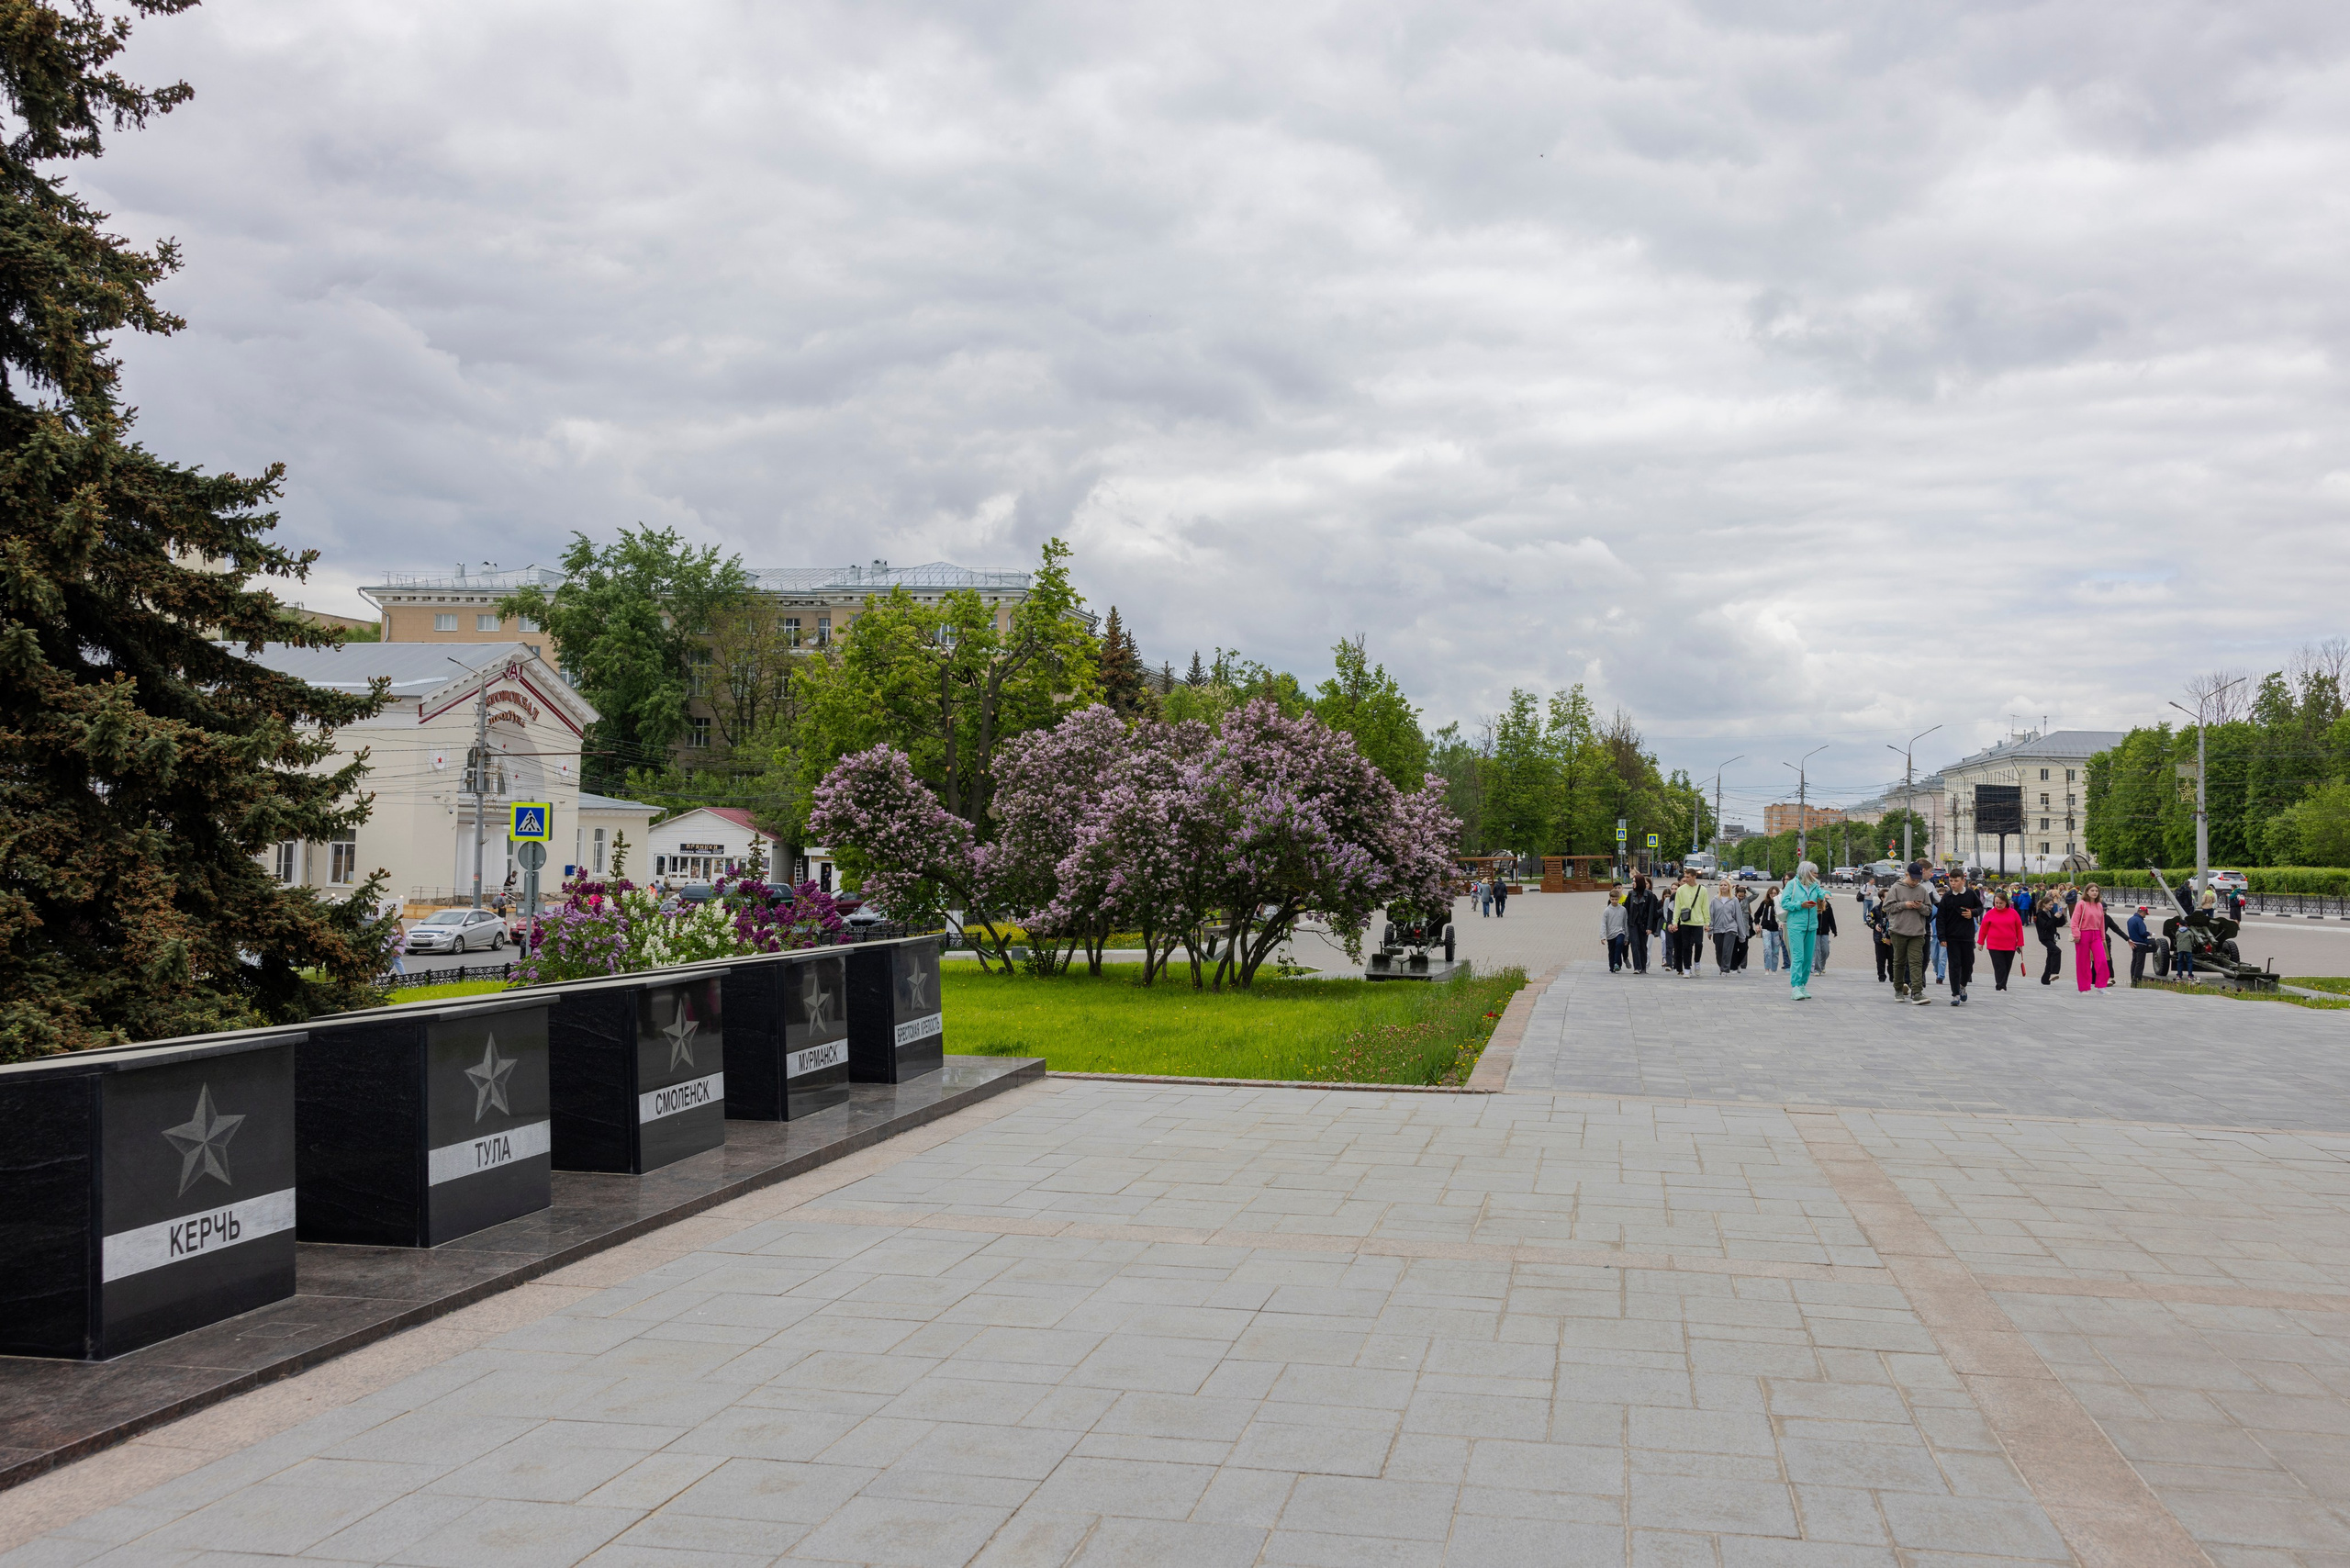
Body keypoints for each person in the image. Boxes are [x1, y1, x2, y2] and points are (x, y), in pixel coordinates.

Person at [1881, 862, 1935, 1004]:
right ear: (1906, 875)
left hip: (1917, 932)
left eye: (1918, 880)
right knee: (1899, 961)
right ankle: (1898, 989)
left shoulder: (1922, 890)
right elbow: (1887, 907)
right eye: (1913, 879)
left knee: (1916, 961)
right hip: (1898, 930)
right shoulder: (1896, 888)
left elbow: (1929, 910)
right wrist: (1904, 905)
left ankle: (1917, 992)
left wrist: (1920, 907)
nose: (1915, 882)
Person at [1778, 861, 1828, 999]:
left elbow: (1821, 893)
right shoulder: (1792, 884)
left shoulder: (1814, 885)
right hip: (1796, 926)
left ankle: (1802, 985)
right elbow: (1785, 903)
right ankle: (1795, 987)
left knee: (1807, 958)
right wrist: (1801, 905)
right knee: (1798, 957)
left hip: (1811, 926)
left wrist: (1825, 895)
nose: (1816, 875)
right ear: (1806, 872)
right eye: (1814, 872)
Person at [1937, 870, 1983, 1004]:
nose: (1953, 884)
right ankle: (1955, 994)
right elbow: (1941, 919)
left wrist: (1973, 913)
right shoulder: (1947, 897)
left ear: (1963, 881)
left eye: (1956, 881)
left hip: (1967, 936)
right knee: (1954, 965)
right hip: (1952, 937)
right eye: (1951, 881)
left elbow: (1980, 907)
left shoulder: (1970, 893)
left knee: (1968, 964)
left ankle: (1963, 986)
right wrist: (1942, 937)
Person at [2071, 883, 2114, 992]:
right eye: (2092, 890)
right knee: (2083, 962)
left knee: (2102, 960)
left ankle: (2101, 986)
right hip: (2083, 935)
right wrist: (2076, 934)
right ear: (2087, 892)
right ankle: (2084, 987)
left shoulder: (2099, 905)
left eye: (2096, 891)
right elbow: (2074, 921)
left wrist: (2103, 938)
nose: (2094, 892)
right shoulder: (2081, 904)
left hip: (2096, 935)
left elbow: (2101, 923)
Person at [1980, 892, 2025, 991]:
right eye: (1996, 903)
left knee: (2007, 965)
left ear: (2006, 903)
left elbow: (2019, 929)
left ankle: (2003, 983)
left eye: (2001, 903)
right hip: (1994, 945)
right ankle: (2000, 984)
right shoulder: (1990, 914)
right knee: (1999, 965)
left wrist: (2020, 943)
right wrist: (1980, 942)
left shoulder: (2013, 913)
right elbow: (1983, 929)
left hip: (2010, 945)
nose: (1998, 905)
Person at [1669, 870, 1710, 975]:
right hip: (1685, 922)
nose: (1686, 879)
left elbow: (1705, 907)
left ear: (1694, 877)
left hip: (1698, 922)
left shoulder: (1702, 890)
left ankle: (1697, 962)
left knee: (1699, 944)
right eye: (1685, 877)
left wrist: (1707, 923)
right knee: (1686, 945)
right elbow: (1677, 907)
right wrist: (1675, 922)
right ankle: (1687, 968)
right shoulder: (1681, 890)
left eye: (1688, 877)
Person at [1708, 879, 1750, 973]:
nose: (1723, 887)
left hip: (1731, 928)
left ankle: (1725, 970)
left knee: (1727, 950)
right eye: (1721, 885)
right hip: (1718, 929)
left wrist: (1742, 934)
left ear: (1729, 887)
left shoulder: (1734, 900)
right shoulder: (1715, 900)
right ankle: (1721, 966)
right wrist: (1710, 930)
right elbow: (1711, 915)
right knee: (1719, 950)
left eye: (1725, 885)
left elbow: (1738, 917)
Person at [2031, 890, 2068, 986]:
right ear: (2044, 904)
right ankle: (2054, 972)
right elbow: (2045, 925)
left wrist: (2061, 916)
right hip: (2044, 937)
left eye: (2052, 905)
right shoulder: (2040, 914)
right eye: (2050, 905)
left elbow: (2058, 924)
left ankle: (2045, 979)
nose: (2051, 906)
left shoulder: (2050, 912)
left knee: (2051, 956)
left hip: (2052, 936)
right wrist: (2055, 918)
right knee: (2057, 951)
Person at [1625, 874, 1659, 974]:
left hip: (1644, 924)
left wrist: (1649, 927)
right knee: (1635, 944)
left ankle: (1643, 967)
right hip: (1633, 924)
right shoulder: (1631, 894)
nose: (1633, 883)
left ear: (1639, 882)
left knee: (1643, 946)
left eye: (1634, 881)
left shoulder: (1649, 895)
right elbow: (1626, 910)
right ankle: (1637, 967)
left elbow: (1651, 913)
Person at [2125, 903, 2155, 986]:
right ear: (2142, 912)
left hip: (2133, 943)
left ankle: (2133, 977)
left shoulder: (2130, 920)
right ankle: (2137, 979)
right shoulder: (2139, 920)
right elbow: (2142, 932)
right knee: (2140, 963)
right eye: (2145, 914)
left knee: (2134, 962)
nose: (2145, 916)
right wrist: (2149, 933)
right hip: (2141, 944)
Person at [1757, 884, 1785, 973]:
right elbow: (1757, 914)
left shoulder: (1780, 904)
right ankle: (1767, 968)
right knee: (1767, 949)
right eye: (1771, 893)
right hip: (1766, 929)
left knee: (1776, 950)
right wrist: (1757, 924)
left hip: (1777, 930)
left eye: (1775, 893)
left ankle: (1774, 969)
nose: (1773, 895)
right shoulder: (1765, 903)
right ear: (1768, 894)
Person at [1603, 891, 1629, 972]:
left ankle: (1617, 963)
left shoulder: (1623, 910)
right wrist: (1602, 936)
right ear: (1610, 899)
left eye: (1616, 899)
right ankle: (1612, 967)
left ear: (1618, 899)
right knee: (1612, 951)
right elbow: (1603, 923)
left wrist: (1626, 937)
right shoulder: (1607, 910)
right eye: (1612, 899)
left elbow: (1625, 923)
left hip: (1620, 931)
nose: (1614, 901)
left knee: (1619, 944)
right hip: (1610, 933)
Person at [1815, 893, 1837, 969]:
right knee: (1817, 951)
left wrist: (1834, 930)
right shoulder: (1814, 906)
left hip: (1825, 932)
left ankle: (1822, 965)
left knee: (1825, 951)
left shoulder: (1828, 906)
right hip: (1815, 932)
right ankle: (1817, 969)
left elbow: (1831, 919)